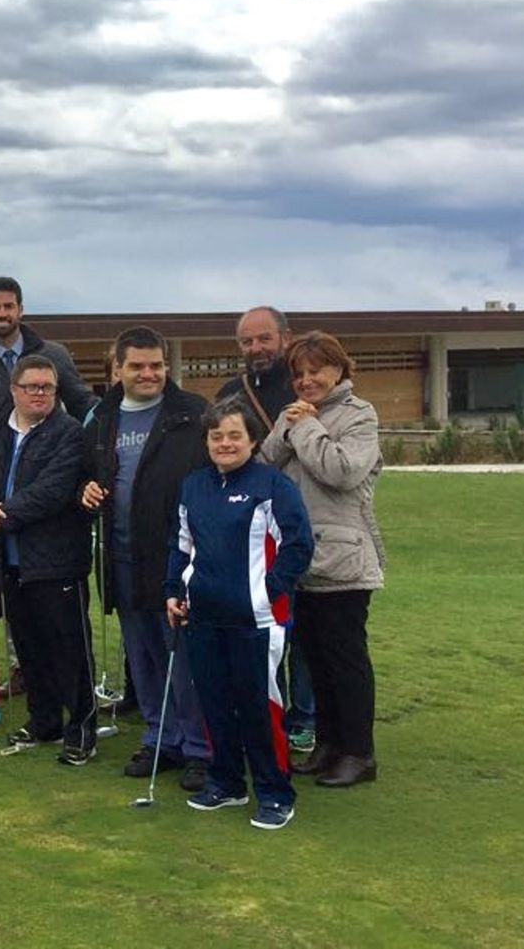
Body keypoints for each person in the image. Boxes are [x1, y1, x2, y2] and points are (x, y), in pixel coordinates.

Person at [166, 399, 313, 829]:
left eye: (234, 435)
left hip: (256, 621)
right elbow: (180, 545)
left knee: (259, 709)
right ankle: (227, 782)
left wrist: (269, 591)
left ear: (252, 440)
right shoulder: (193, 486)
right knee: (215, 703)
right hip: (203, 616)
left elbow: (298, 545)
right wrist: (173, 591)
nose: (225, 444)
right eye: (217, 436)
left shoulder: (272, 486)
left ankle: (275, 792)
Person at [82, 327, 212, 790]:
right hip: (121, 557)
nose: (149, 373)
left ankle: (200, 748)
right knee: (144, 657)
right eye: (137, 366)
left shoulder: (193, 413)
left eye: (156, 365)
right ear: (118, 368)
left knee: (184, 658)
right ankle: (161, 739)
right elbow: (87, 473)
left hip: (176, 558)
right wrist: (85, 488)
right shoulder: (101, 417)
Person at [259, 332, 385, 788]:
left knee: (345, 660)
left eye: (316, 371)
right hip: (300, 558)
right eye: (299, 374)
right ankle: (328, 745)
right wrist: (288, 427)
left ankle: (358, 752)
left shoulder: (359, 415)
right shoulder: (292, 414)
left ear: (339, 369)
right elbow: (264, 465)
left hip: (344, 560)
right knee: (314, 659)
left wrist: (306, 428)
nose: (307, 381)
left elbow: (342, 471)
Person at [0, 356, 97, 764]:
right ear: (14, 390)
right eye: (32, 387)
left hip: (56, 560)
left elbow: (53, 490)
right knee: (30, 648)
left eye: (47, 387)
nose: (40, 394)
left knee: (69, 650)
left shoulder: (68, 433)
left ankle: (82, 729)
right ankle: (44, 721)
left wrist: (2, 513)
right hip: (11, 561)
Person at [214, 305, 314, 750]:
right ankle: (269, 713)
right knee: (266, 630)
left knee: (306, 632)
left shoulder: (305, 387)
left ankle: (305, 717)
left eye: (264, 338)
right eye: (247, 341)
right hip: (251, 531)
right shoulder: (231, 393)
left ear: (285, 338)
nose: (256, 348)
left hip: (303, 521)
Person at [0, 275, 96, 425]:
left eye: (8, 306)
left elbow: (80, 402)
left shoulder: (54, 356)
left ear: (20, 310)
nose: (2, 314)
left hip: (50, 438)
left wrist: (109, 414)